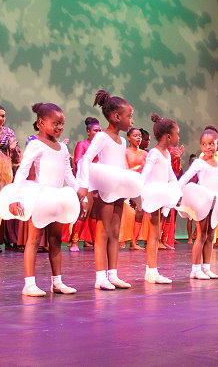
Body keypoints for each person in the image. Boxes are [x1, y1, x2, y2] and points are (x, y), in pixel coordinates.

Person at [0, 103, 83, 296]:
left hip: (57, 198)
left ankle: (57, 282)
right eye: (56, 123)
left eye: (62, 124)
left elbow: (68, 174)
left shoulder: (62, 147)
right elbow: (23, 171)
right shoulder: (35, 144)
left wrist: (79, 192)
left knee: (55, 240)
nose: (60, 127)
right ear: (41, 123)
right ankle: (29, 284)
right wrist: (15, 197)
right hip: (40, 197)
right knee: (34, 240)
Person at [77, 90, 143, 290]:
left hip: (118, 187)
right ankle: (100, 277)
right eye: (129, 116)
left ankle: (113, 274)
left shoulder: (122, 141)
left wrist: (130, 192)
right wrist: (84, 185)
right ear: (116, 117)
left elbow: (121, 167)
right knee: (103, 231)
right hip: (105, 187)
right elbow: (86, 159)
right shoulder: (102, 137)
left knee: (115, 231)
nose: (132, 121)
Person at [178, 127, 218, 280]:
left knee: (211, 235)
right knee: (201, 235)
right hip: (202, 202)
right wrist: (176, 191)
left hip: (215, 202)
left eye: (211, 144)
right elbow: (186, 177)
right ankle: (195, 269)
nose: (208, 147)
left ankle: (206, 268)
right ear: (201, 146)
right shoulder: (199, 163)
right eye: (204, 144)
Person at [139, 114, 182, 283]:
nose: (179, 137)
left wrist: (179, 191)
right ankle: (152, 271)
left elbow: (171, 176)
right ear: (168, 136)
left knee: (156, 234)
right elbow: (145, 173)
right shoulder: (155, 153)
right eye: (177, 134)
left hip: (161, 196)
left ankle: (151, 270)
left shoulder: (167, 154)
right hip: (152, 195)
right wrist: (139, 193)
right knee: (153, 234)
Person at [66, 117, 102, 251]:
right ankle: (74, 242)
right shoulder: (83, 144)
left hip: (98, 181)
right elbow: (78, 161)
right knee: (84, 210)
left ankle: (95, 242)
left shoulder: (101, 147)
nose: (98, 133)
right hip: (85, 181)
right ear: (88, 132)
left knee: (95, 213)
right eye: (95, 131)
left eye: (100, 131)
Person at [0, 104, 21, 253]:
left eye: (3, 116)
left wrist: (13, 149)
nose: (1, 118)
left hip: (2, 172)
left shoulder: (8, 132)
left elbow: (15, 157)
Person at [120, 128, 147, 250]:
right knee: (127, 213)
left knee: (140, 212)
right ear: (128, 137)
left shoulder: (144, 154)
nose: (138, 138)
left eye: (139, 136)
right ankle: (123, 239)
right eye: (135, 136)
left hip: (140, 185)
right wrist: (137, 168)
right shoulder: (125, 152)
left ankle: (134, 242)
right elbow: (124, 170)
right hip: (128, 184)